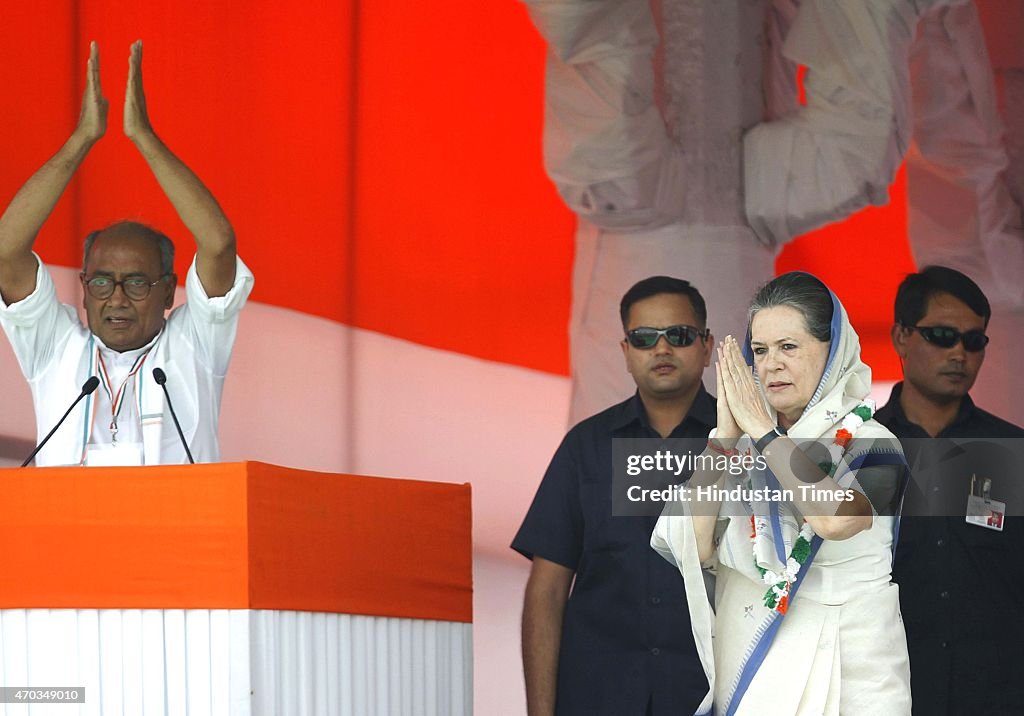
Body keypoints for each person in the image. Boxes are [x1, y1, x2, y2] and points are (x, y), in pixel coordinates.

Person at [653, 272, 910, 715]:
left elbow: (836, 520)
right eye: (759, 350)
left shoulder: (875, 440)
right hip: (754, 680)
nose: (770, 364)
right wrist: (722, 440)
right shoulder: (742, 447)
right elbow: (693, 547)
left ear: (832, 352)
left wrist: (767, 436)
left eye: (788, 347)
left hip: (851, 680)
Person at [0, 41, 254, 467]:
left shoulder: (194, 345)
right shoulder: (55, 349)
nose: (116, 298)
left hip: (181, 534)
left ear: (169, 289)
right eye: (101, 281)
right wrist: (82, 139)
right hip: (69, 533)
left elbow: (218, 243)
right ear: (83, 288)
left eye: (136, 282)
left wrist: (144, 138)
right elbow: (7, 251)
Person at [513, 276, 715, 715]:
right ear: (626, 352)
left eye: (678, 336)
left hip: (714, 698)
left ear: (707, 346)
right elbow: (546, 591)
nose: (661, 350)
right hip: (598, 697)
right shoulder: (586, 446)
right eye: (644, 339)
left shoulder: (743, 444)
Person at [875, 266, 1024, 714]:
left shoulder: (1011, 449)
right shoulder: (860, 449)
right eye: (942, 335)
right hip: (889, 693)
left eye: (973, 340)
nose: (959, 353)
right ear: (902, 336)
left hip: (997, 695)